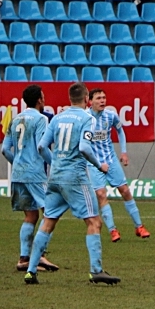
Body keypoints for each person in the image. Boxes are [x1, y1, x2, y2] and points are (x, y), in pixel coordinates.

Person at [24, 83, 120, 286]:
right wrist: (99, 165)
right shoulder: (87, 118)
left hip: (55, 177)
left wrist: (55, 163)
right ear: (87, 98)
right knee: (94, 222)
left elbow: (42, 146)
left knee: (48, 221)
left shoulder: (58, 117)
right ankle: (96, 271)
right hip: (75, 178)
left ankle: (31, 270)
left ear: (69, 98)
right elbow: (85, 147)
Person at [1, 84, 59, 273]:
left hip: (18, 173)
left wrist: (17, 162)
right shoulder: (41, 119)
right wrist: (55, 165)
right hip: (34, 173)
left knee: (31, 215)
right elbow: (42, 147)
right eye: (43, 96)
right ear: (39, 100)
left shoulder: (15, 119)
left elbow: (4, 149)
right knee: (50, 212)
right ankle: (39, 255)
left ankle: (24, 258)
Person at [87, 88, 150, 241]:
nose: (102, 101)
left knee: (125, 191)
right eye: (98, 98)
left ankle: (139, 226)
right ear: (90, 101)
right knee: (101, 194)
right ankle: (113, 230)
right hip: (93, 163)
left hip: (111, 160)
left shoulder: (111, 115)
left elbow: (120, 131)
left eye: (104, 97)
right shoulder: (85, 118)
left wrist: (123, 152)